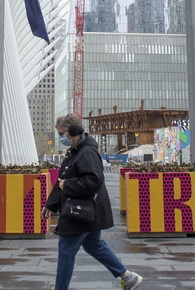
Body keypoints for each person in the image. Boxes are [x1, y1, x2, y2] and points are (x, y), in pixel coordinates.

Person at [42, 113, 143, 290]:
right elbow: (62, 180)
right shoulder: (75, 151)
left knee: (66, 249)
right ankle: (128, 278)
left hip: (81, 211)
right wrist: (50, 204)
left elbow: (94, 180)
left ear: (73, 131)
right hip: (87, 210)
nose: (60, 138)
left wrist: (69, 185)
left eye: (61, 133)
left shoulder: (86, 152)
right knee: (94, 245)